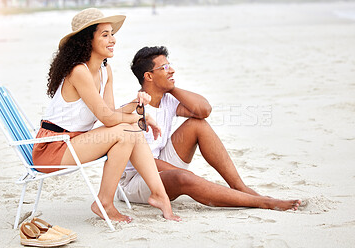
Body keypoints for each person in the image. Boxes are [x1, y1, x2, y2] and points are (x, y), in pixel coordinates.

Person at [32, 9, 181, 223]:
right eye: (105, 35)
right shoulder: (79, 72)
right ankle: (104, 203)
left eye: (112, 34)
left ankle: (160, 196)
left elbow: (109, 115)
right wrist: (139, 118)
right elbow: (111, 120)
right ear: (87, 40)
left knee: (132, 132)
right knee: (127, 131)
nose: (113, 40)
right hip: (52, 148)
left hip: (73, 141)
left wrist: (136, 106)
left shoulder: (105, 70)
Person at [117, 46, 301, 211]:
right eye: (164, 68)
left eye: (170, 65)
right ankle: (263, 202)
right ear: (148, 76)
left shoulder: (167, 100)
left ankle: (239, 187)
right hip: (135, 179)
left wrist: (170, 87)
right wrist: (180, 172)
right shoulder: (136, 109)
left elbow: (204, 110)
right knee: (185, 178)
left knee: (198, 125)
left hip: (160, 160)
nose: (171, 70)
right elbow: (142, 160)